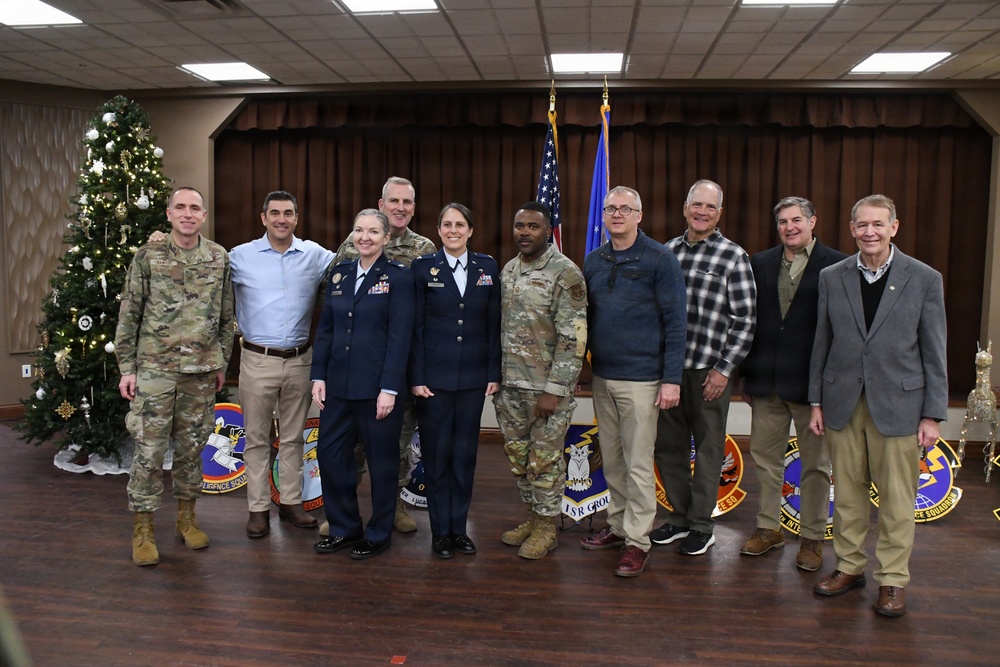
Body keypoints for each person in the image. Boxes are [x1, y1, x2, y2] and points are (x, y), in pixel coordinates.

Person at [808, 194, 947, 618]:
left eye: (878, 224)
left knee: (897, 500)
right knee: (847, 495)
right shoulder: (833, 276)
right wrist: (815, 400)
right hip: (842, 402)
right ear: (851, 229)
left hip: (900, 404)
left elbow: (934, 350)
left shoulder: (924, 278)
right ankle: (849, 567)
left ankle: (892, 580)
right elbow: (822, 342)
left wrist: (933, 413)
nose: (869, 231)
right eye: (862, 225)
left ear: (894, 227)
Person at [116, 186, 235, 567]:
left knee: (191, 450)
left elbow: (225, 317)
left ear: (203, 215)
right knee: (149, 451)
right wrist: (126, 368)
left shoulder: (218, 257)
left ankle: (187, 519)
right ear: (169, 214)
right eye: (180, 207)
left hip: (200, 373)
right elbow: (130, 313)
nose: (187, 213)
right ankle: (143, 529)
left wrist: (220, 364)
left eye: (194, 208)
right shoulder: (148, 256)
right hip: (154, 371)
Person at [579, 186, 687, 577]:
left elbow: (676, 324)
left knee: (639, 462)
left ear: (639, 215)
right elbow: (586, 319)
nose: (617, 214)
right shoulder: (593, 259)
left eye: (626, 209)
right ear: (604, 216)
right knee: (613, 458)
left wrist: (671, 379)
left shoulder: (660, 259)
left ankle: (638, 541)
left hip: (644, 380)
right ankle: (619, 523)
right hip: (603, 377)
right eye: (611, 209)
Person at [739, 197, 847, 570]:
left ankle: (812, 538)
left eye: (797, 220)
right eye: (783, 221)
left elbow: (840, 331)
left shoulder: (837, 264)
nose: (790, 227)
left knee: (816, 466)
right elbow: (750, 322)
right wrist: (746, 375)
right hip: (765, 382)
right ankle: (769, 529)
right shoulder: (759, 262)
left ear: (813, 221)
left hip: (813, 389)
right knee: (766, 461)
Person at [653, 179, 756, 556]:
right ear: (684, 207)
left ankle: (701, 524)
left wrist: (724, 369)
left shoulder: (733, 256)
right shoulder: (665, 253)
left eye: (710, 207)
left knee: (709, 448)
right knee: (668, 447)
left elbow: (745, 320)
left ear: (719, 213)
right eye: (696, 204)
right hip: (669, 372)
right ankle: (678, 519)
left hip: (709, 372)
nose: (702, 211)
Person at [326, 176, 435, 536]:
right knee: (350, 448)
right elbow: (336, 296)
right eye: (394, 201)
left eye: (407, 202)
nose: (400, 208)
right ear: (382, 204)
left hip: (398, 369)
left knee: (396, 444)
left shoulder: (424, 247)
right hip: (353, 371)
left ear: (413, 209)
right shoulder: (352, 244)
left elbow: (425, 315)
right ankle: (347, 514)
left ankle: (394, 508)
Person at [311, 209, 415, 560]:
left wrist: (390, 388)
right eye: (358, 230)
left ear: (387, 238)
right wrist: (318, 376)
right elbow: (326, 330)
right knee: (331, 456)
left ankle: (379, 532)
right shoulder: (339, 274)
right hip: (338, 387)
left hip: (377, 391)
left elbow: (401, 337)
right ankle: (344, 527)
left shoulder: (400, 276)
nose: (364, 237)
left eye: (373, 231)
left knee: (383, 464)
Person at [229, 191, 334, 538]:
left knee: (293, 438)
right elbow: (199, 263)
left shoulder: (314, 255)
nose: (281, 219)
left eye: (288, 213)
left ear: (296, 218)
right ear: (263, 218)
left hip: (301, 360)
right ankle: (258, 509)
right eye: (274, 213)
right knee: (257, 440)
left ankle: (290, 502)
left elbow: (355, 259)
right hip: (257, 360)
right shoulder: (240, 257)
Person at [496, 201, 587, 560]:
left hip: (546, 390)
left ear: (548, 231)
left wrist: (555, 389)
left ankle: (548, 528)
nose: (524, 232)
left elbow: (573, 337)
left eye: (532, 226)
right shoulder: (508, 270)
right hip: (510, 387)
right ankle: (533, 518)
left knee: (545, 461)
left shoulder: (565, 274)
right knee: (519, 458)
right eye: (519, 226)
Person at [410, 203, 501, 559]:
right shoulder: (422, 268)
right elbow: (414, 327)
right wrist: (416, 376)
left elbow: (494, 323)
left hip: (473, 379)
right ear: (438, 229)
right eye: (446, 224)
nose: (453, 230)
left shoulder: (487, 267)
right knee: (436, 457)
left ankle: (459, 529)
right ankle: (439, 532)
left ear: (470, 230)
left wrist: (493, 372)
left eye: (459, 224)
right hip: (433, 379)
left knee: (464, 456)